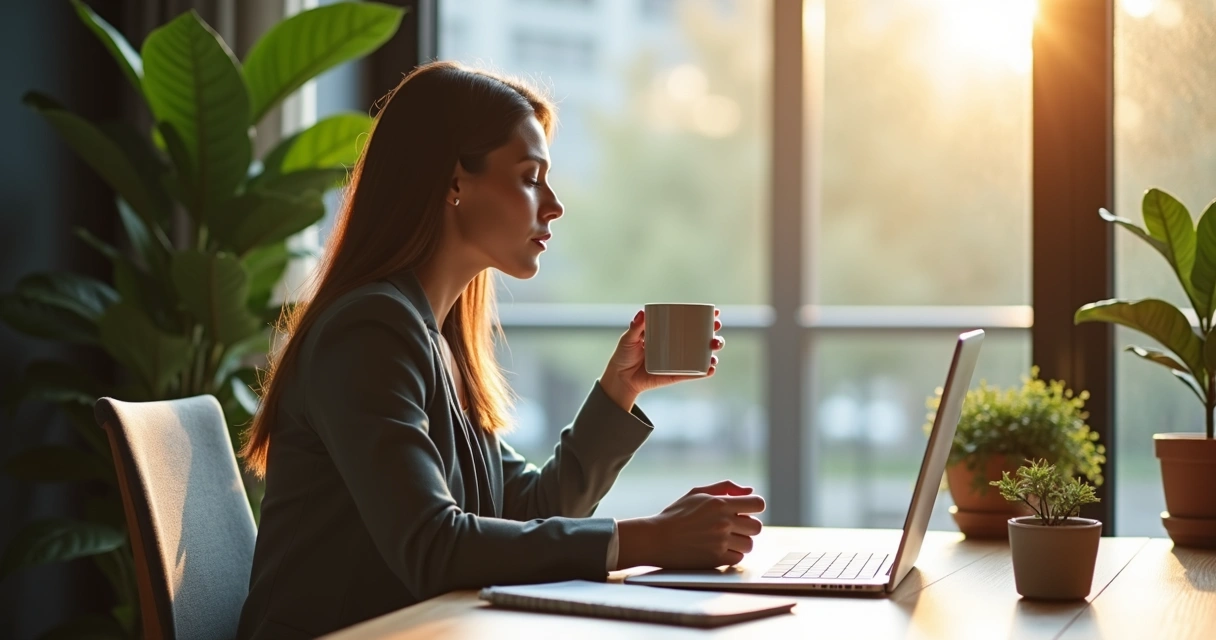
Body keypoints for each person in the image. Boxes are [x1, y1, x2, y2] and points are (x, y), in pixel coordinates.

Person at [235, 61, 766, 639]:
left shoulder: (438, 338)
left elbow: (527, 506)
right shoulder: (369, 331)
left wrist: (621, 390)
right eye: (530, 176)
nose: (554, 204)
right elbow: (434, 545)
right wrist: (651, 539)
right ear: (454, 183)